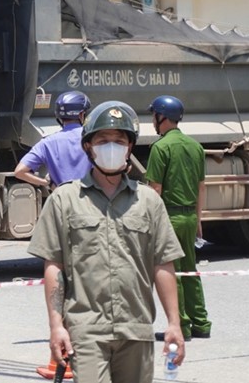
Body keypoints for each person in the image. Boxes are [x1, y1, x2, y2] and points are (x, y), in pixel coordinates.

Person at [28, 101, 186, 383]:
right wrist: (56, 326)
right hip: (86, 331)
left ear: (129, 147)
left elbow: (163, 264)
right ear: (88, 147)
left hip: (137, 330)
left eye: (119, 140)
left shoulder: (148, 201)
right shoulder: (64, 200)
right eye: (102, 140)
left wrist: (174, 323)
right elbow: (54, 266)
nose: (111, 146)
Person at [146, 95, 212, 341]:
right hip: (189, 217)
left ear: (162, 117)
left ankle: (182, 325)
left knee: (173, 272)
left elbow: (154, 191)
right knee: (190, 271)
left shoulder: (160, 148)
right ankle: (201, 323)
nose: (152, 120)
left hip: (169, 217)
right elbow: (201, 186)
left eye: (154, 115)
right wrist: (198, 219)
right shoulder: (195, 146)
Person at [14, 91, 92, 188]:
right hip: (90, 199)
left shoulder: (47, 142)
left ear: (59, 116)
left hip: (62, 199)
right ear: (81, 115)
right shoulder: (93, 139)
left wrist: (46, 183)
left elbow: (19, 172)